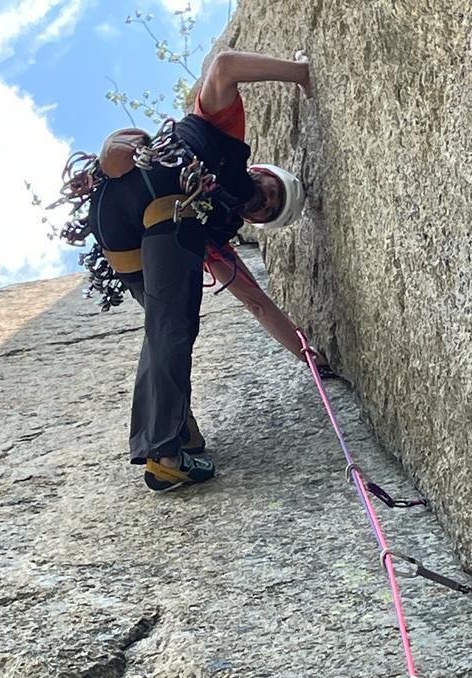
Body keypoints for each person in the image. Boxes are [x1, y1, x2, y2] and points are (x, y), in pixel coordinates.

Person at [79, 50, 328, 493]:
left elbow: (257, 303)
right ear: (260, 171)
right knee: (173, 322)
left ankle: (178, 430)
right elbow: (225, 66)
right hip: (154, 195)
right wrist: (302, 74)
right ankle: (165, 455)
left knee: (165, 327)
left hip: (124, 232)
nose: (265, 202)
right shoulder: (221, 137)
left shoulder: (212, 236)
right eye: (271, 192)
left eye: (269, 212)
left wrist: (310, 357)